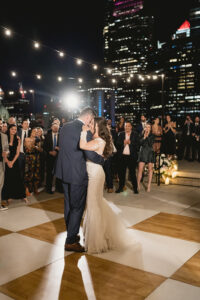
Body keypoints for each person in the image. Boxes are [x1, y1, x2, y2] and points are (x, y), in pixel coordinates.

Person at [55, 107, 104, 253]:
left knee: (69, 205)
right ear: (89, 117)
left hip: (63, 171)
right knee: (77, 207)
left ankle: (71, 232)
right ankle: (70, 241)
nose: (92, 123)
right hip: (77, 174)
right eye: (92, 120)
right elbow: (89, 154)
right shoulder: (84, 130)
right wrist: (102, 159)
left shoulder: (65, 127)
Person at [80, 117, 131, 254]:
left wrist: (83, 132)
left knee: (92, 205)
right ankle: (103, 234)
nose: (89, 125)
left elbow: (82, 146)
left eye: (92, 124)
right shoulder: (97, 139)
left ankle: (96, 242)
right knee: (96, 203)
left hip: (95, 174)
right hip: (94, 173)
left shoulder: (99, 140)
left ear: (98, 127)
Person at [2, 125, 27, 204]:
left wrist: (12, 162)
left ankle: (22, 195)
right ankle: (8, 196)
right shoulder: (5, 138)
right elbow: (3, 152)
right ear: (9, 129)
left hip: (14, 161)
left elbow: (17, 153)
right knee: (7, 179)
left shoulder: (18, 139)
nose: (14, 130)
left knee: (17, 178)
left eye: (15, 129)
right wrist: (7, 161)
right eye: (12, 129)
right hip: (5, 160)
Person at [115, 121, 139, 194]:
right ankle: (121, 187)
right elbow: (117, 144)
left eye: (128, 126)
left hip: (131, 157)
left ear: (131, 127)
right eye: (126, 126)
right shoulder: (121, 134)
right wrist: (123, 143)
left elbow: (138, 145)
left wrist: (130, 143)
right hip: (122, 157)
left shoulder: (135, 134)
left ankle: (135, 188)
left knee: (132, 173)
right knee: (121, 173)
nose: (127, 127)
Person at [44, 122, 62, 194]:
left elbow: (63, 146)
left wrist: (57, 151)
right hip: (49, 157)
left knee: (59, 173)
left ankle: (59, 188)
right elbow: (44, 147)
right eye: (54, 127)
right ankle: (48, 189)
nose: (55, 128)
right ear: (51, 128)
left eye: (57, 127)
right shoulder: (47, 136)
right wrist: (49, 152)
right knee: (49, 174)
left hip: (58, 157)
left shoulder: (61, 136)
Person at [137, 123, 155, 192]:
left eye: (149, 127)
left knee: (150, 170)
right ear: (145, 128)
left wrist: (147, 137)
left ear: (150, 128)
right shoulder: (141, 135)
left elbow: (151, 143)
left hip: (150, 153)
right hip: (143, 153)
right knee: (140, 169)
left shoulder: (152, 135)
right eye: (146, 127)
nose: (147, 128)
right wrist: (144, 137)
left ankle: (148, 186)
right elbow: (140, 143)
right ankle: (138, 185)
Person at [24, 128, 41, 196]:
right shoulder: (26, 139)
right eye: (34, 131)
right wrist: (33, 141)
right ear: (30, 132)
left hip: (36, 158)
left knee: (36, 173)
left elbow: (40, 150)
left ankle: (35, 188)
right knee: (28, 174)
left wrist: (37, 147)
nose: (35, 133)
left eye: (37, 132)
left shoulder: (38, 140)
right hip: (29, 158)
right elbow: (28, 147)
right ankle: (27, 189)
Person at [0, 131, 9, 211]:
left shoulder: (4, 136)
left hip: (0, 164)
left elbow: (7, 150)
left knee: (0, 184)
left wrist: (6, 153)